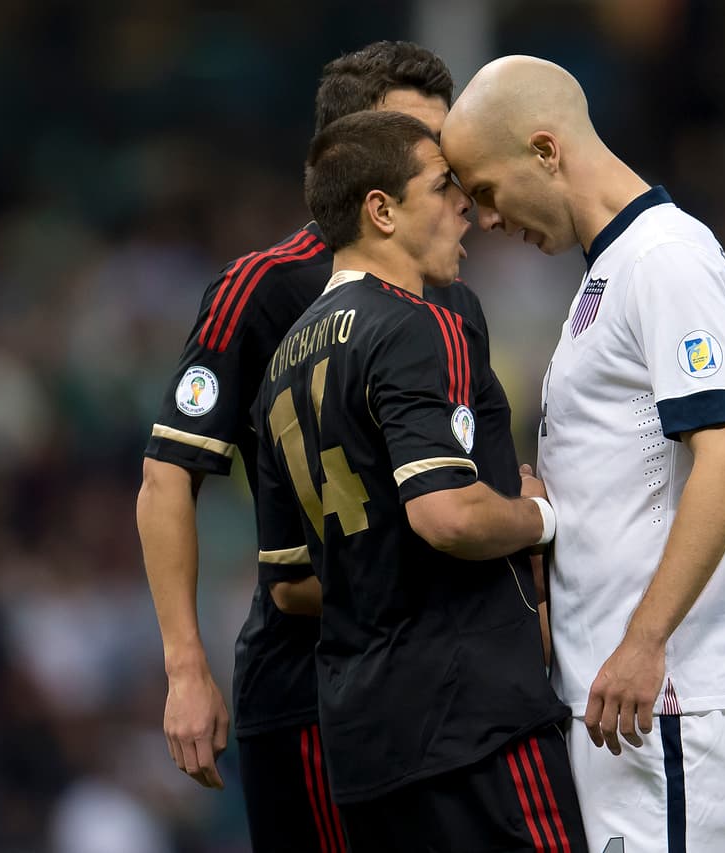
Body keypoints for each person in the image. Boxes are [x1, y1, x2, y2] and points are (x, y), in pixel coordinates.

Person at [136, 41, 491, 852]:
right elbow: (167, 477)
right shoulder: (261, 287)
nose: (441, 165)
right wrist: (186, 667)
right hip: (309, 690)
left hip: (433, 689)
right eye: (416, 137)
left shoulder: (456, 300)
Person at [442, 56, 725, 852]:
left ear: (545, 151)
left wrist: (647, 640)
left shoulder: (666, 259)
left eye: (485, 189)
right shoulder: (607, 276)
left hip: (667, 697)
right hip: (615, 699)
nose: (484, 219)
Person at [251, 108, 586, 852]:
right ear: (381, 210)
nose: (465, 202)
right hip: (473, 717)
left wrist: (387, 567)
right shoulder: (413, 324)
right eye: (441, 187)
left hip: (364, 742)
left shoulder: (280, 367)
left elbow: (290, 581)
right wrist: (543, 517)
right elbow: (448, 516)